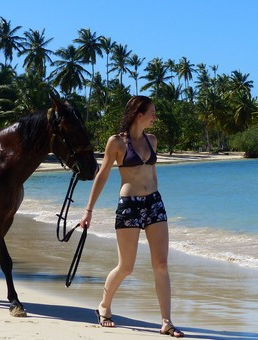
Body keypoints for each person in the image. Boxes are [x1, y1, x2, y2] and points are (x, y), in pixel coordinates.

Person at [79, 95, 185, 338]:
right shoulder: (116, 142)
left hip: (154, 204)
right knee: (126, 266)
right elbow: (103, 175)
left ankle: (167, 322)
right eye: (152, 112)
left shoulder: (152, 141)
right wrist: (89, 210)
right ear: (139, 114)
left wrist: (155, 200)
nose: (155, 117)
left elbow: (153, 174)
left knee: (161, 264)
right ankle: (104, 306)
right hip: (129, 205)